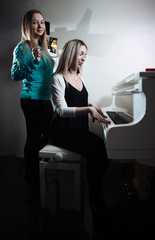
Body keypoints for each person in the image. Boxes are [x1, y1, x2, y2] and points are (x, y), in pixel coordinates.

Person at [50, 39, 111, 238]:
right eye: (81, 53)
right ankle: (96, 202)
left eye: (85, 54)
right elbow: (61, 110)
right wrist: (89, 109)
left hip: (79, 128)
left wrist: (94, 106)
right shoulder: (58, 78)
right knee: (95, 153)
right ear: (71, 53)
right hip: (63, 131)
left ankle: (94, 190)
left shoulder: (78, 76)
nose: (84, 58)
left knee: (104, 148)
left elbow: (79, 100)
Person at [11, 9, 54, 203]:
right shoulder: (23, 47)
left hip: (46, 99)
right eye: (35, 22)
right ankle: (32, 179)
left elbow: (49, 74)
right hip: (31, 99)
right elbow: (15, 75)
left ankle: (41, 173)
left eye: (42, 22)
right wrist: (32, 60)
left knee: (47, 136)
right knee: (34, 139)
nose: (39, 26)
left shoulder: (46, 48)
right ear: (28, 25)